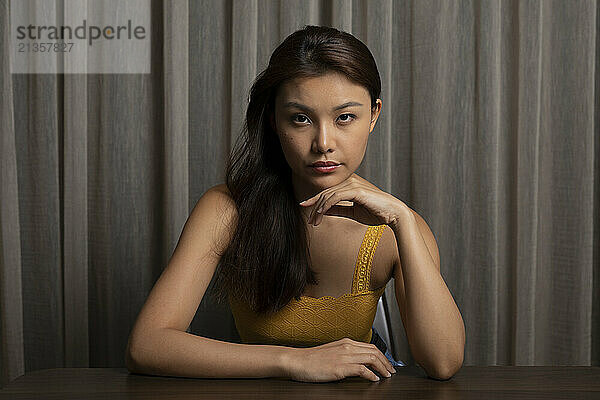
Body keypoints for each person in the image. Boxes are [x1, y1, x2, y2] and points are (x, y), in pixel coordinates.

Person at [125, 25, 465, 383]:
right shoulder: (227, 209)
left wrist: (403, 221)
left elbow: (443, 363)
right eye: (301, 118)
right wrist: (296, 362)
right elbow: (145, 346)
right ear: (273, 120)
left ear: (374, 115)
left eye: (344, 117)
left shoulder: (396, 226)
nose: (323, 142)